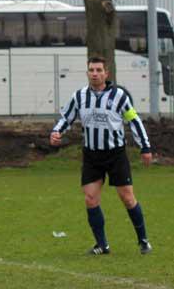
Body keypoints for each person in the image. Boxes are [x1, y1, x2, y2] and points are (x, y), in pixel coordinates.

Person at [51, 57, 153, 255]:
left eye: (99, 70)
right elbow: (67, 117)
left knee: (127, 198)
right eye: (91, 70)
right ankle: (102, 245)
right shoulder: (79, 96)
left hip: (115, 155)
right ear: (87, 73)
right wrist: (56, 132)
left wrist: (145, 147)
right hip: (92, 156)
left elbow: (134, 121)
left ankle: (143, 240)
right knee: (90, 199)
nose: (95, 73)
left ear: (107, 73)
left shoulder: (119, 96)